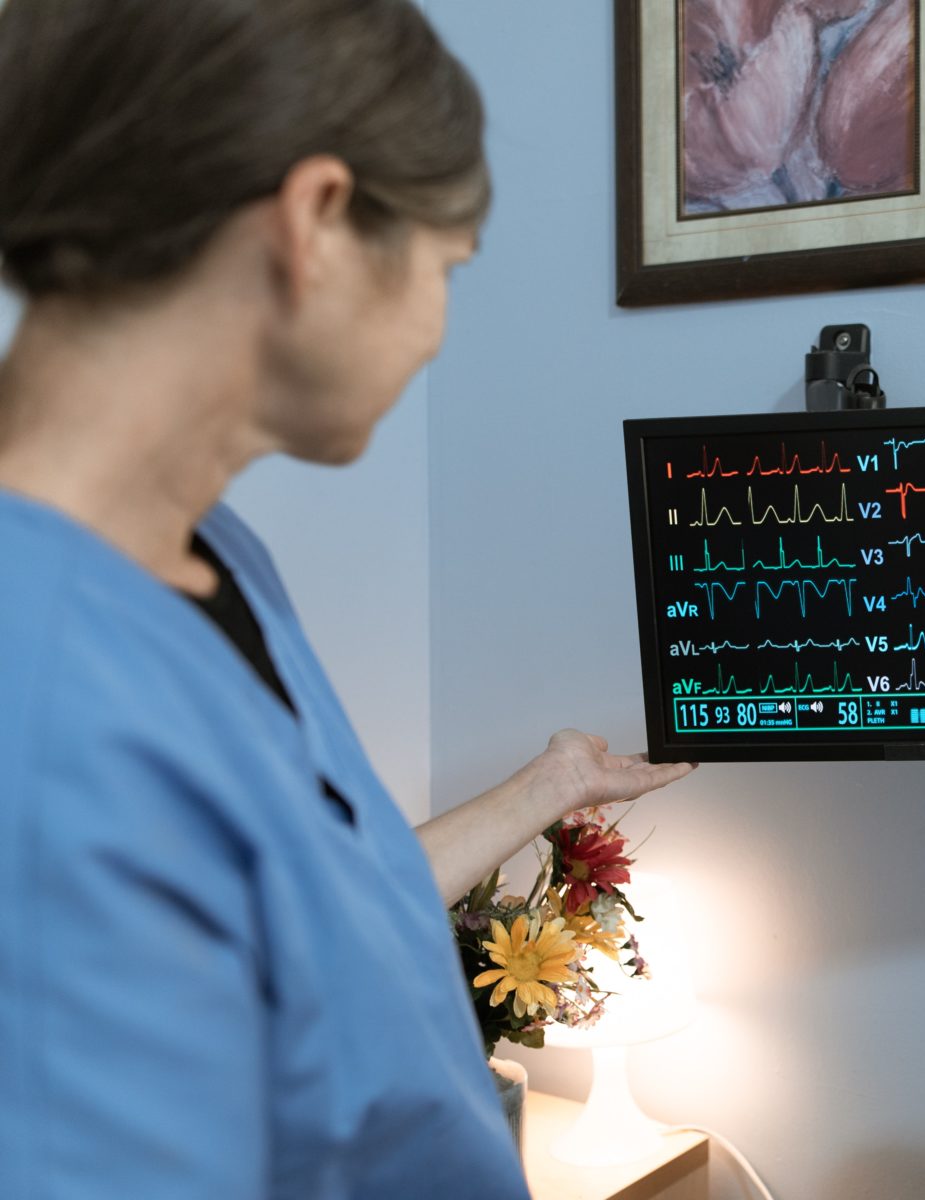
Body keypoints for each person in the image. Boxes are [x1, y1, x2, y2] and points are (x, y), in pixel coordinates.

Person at [0, 2, 694, 1196]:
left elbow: (318, 911)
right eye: (445, 269)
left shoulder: (214, 559)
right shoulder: (42, 704)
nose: (435, 330)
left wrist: (552, 789)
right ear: (316, 220)